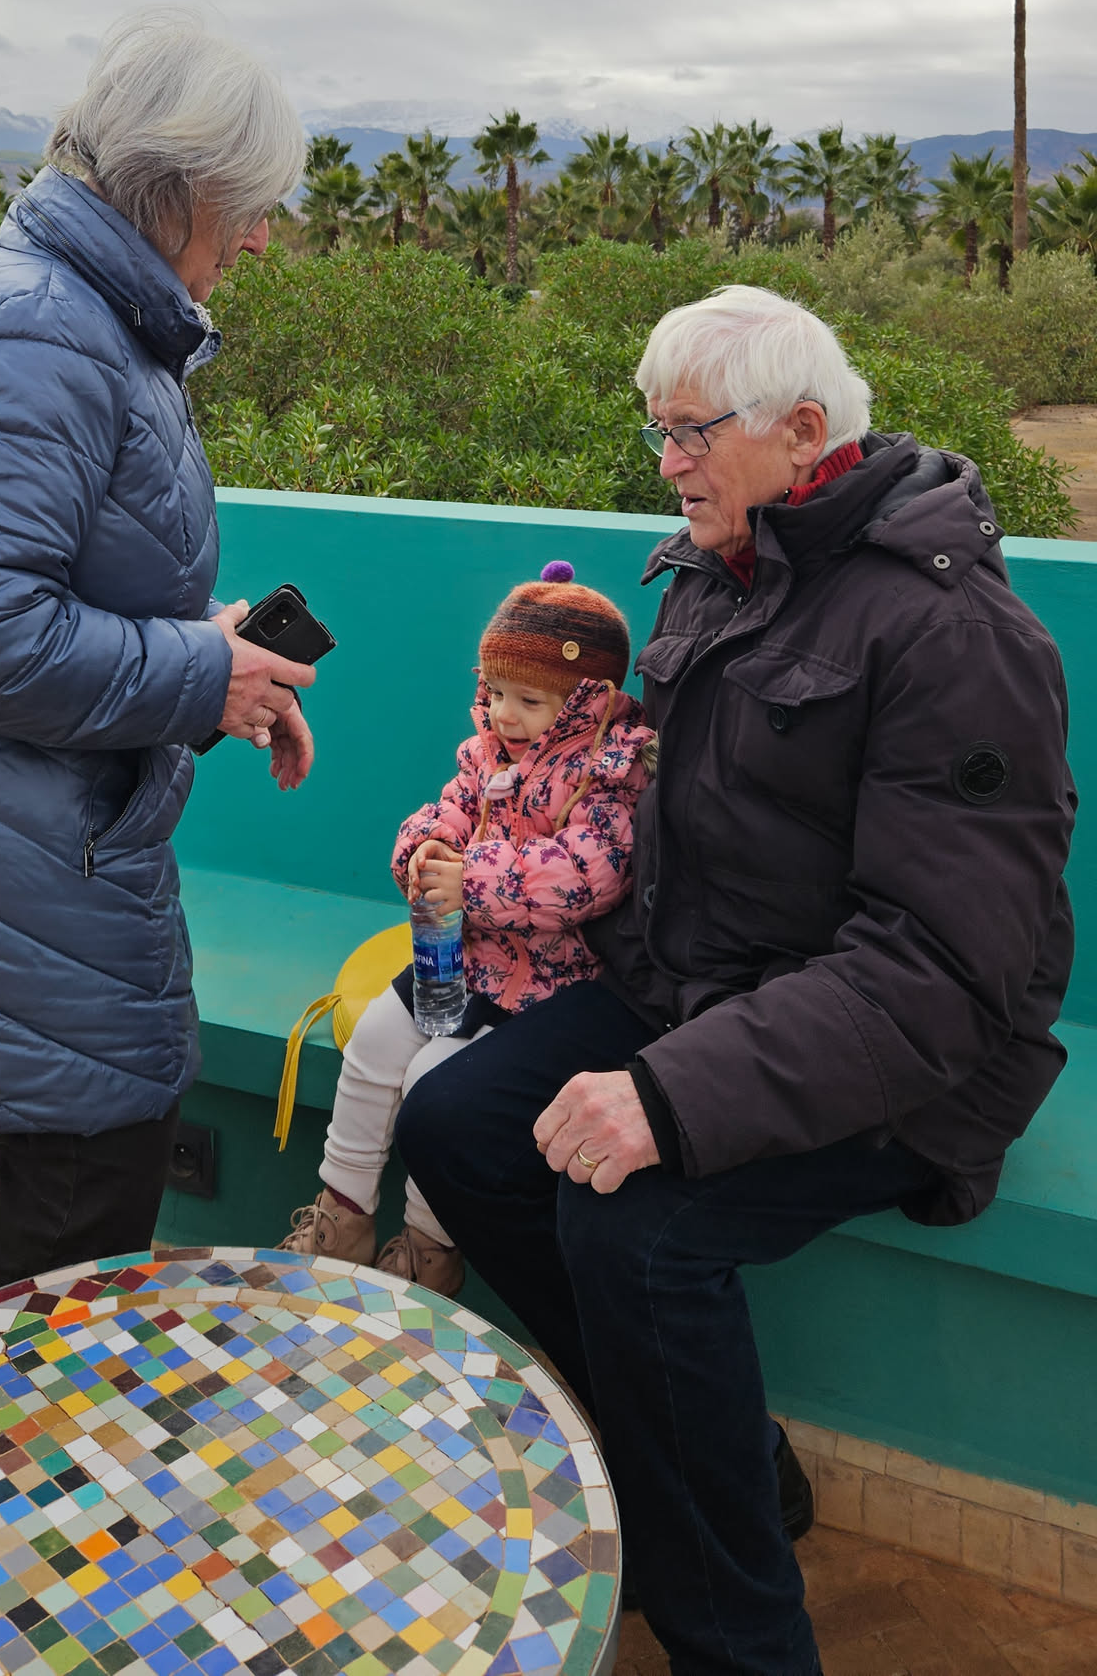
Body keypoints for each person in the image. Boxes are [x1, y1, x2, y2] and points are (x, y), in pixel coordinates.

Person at [397, 285, 1076, 1676]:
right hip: (700, 990)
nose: (668, 463)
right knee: (455, 1122)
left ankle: (741, 1637)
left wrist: (668, 1094)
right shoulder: (723, 566)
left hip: (906, 1059)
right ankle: (719, 1457)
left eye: (691, 432)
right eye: (658, 431)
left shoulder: (954, 637)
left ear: (803, 431)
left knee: (637, 1232)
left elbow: (944, 969)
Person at [0, 10, 319, 1303]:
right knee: (80, 1210)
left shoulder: (83, 317)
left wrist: (219, 659)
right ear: (179, 184)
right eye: (251, 203)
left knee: (83, 1192)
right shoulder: (30, 330)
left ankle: (10, 1427)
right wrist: (200, 674)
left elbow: (55, 583)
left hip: (35, 841)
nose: (262, 237)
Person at [285, 564, 654, 1294]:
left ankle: (431, 1248)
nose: (504, 715)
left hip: (541, 987)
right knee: (375, 1045)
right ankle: (343, 1213)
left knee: (435, 1084)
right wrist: (424, 849)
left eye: (529, 700)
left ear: (587, 702)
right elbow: (447, 811)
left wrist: (474, 880)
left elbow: (589, 873)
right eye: (495, 692)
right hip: (459, 961)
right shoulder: (488, 753)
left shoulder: (609, 774)